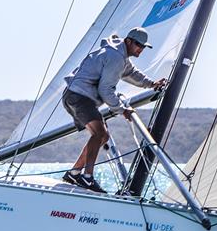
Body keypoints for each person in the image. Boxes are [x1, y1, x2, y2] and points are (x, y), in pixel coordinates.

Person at [61, 27, 167, 193]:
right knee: (99, 134)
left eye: (143, 47)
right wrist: (122, 110)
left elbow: (132, 73)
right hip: (79, 96)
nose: (140, 49)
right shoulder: (116, 57)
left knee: (103, 136)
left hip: (77, 96)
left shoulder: (120, 55)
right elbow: (106, 89)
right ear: (128, 41)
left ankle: (74, 173)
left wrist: (152, 84)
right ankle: (87, 178)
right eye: (138, 45)